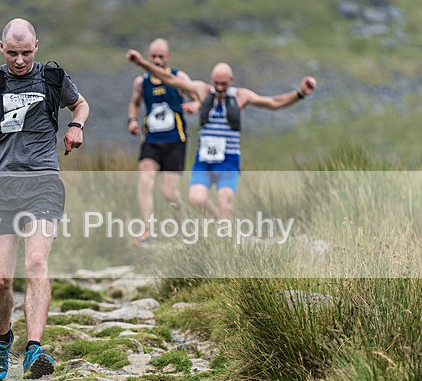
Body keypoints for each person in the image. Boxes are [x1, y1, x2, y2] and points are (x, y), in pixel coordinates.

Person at [0, 18, 90, 381]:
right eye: (12, 53)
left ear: (37, 47)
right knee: (0, 282)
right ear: (1, 48)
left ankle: (33, 349)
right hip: (1, 187)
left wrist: (76, 126)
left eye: (26, 52)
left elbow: (81, 105)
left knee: (37, 261)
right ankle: (2, 339)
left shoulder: (52, 79)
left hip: (42, 181)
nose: (20, 60)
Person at [126, 50, 316, 218]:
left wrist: (300, 93)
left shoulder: (240, 96)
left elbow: (274, 103)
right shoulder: (202, 91)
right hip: (204, 161)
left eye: (223, 84)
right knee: (196, 199)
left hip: (228, 161)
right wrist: (142, 63)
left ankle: (226, 245)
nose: (219, 87)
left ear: (231, 81)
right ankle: (219, 220)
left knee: (225, 201)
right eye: (216, 83)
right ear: (211, 80)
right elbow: (170, 79)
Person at [127, 38, 199, 247]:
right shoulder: (142, 82)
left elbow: (198, 95)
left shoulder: (178, 77)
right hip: (151, 141)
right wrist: (132, 120)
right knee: (145, 181)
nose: (157, 60)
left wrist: (194, 104)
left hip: (175, 141)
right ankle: (147, 231)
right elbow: (134, 103)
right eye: (154, 56)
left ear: (168, 57)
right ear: (149, 57)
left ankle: (184, 221)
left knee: (168, 192)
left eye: (161, 56)